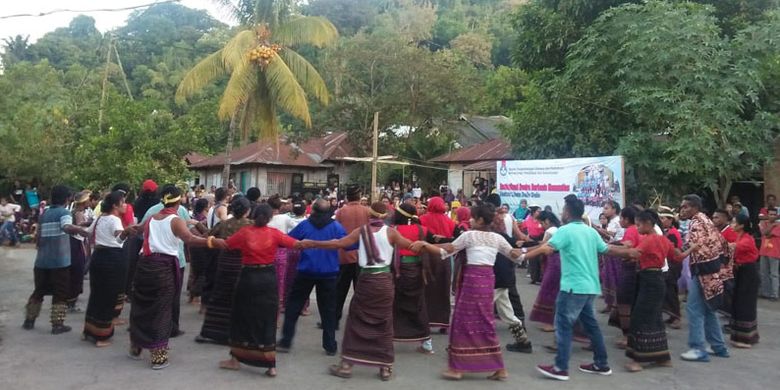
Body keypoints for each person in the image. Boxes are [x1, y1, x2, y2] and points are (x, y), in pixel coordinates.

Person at [525, 195, 636, 381]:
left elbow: (547, 248)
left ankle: (560, 367)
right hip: (590, 287)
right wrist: (628, 252)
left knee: (563, 325)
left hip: (572, 287)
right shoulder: (590, 231)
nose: (561, 213)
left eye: (563, 210)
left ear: (567, 212)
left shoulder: (565, 231)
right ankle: (601, 364)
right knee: (591, 325)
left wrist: (521, 256)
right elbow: (608, 249)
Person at [412, 203, 527, 381]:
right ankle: (498, 368)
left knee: (462, 322)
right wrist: (539, 248)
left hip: (472, 282)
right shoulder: (497, 238)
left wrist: (424, 245)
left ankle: (458, 368)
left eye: (473, 217)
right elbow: (516, 255)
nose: (470, 220)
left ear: (480, 220)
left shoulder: (470, 235)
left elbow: (447, 250)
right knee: (484, 323)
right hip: (487, 281)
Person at [303, 202, 414, 381]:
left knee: (356, 320)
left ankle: (346, 366)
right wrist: (435, 246)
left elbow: (338, 244)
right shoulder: (392, 233)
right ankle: (385, 368)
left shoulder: (361, 231)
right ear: (384, 216)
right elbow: (411, 246)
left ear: (369, 215)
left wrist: (313, 243)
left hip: (367, 281)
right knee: (384, 322)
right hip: (384, 282)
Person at [211, 203, 302, 377]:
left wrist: (209, 241)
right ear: (269, 218)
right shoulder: (274, 234)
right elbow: (296, 244)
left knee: (241, 318)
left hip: (248, 278)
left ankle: (235, 360)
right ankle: (271, 366)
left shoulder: (245, 233)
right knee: (267, 320)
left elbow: (227, 245)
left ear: (253, 215)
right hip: (268, 278)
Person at [128, 185, 209, 369]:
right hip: (163, 268)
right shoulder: (176, 219)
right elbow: (189, 239)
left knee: (141, 305)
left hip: (145, 265)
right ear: (179, 200)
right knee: (162, 308)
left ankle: (136, 347)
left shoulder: (151, 218)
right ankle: (158, 356)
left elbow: (138, 229)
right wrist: (211, 242)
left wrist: (125, 231)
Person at [611, 210, 693, 372]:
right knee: (654, 319)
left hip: (649, 281)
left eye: (639, 224)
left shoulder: (649, 240)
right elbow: (678, 257)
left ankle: (638, 360)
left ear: (648, 224)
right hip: (657, 281)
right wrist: (693, 248)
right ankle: (663, 358)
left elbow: (634, 253)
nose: (637, 227)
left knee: (640, 319)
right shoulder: (663, 240)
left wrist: (607, 249)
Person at [278, 199, 346, 356]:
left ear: (313, 210)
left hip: (306, 271)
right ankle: (330, 345)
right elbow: (348, 244)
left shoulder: (305, 225)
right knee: (328, 310)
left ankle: (286, 341)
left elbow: (290, 240)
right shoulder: (335, 226)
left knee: (293, 306)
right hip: (328, 273)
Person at [22, 185, 86, 334]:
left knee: (39, 291)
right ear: (66, 198)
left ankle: (29, 320)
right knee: (60, 293)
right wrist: (81, 230)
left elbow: (38, 238)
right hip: (60, 261)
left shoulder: (45, 214)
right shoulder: (64, 212)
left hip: (41, 261)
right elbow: (66, 227)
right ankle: (57, 325)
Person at [678, 194, 732, 362]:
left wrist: (683, 252)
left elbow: (698, 246)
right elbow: (722, 243)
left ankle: (697, 348)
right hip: (713, 270)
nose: (682, 210)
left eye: (685, 207)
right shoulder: (706, 220)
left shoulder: (696, 222)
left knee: (694, 309)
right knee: (709, 309)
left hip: (703, 270)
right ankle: (719, 346)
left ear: (694, 207)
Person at [82, 191, 139, 346]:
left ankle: (89, 331)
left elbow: (87, 233)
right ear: (115, 205)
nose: (125, 205)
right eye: (123, 202)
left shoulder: (101, 217)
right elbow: (118, 238)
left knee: (96, 295)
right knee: (108, 297)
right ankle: (101, 336)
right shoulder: (114, 219)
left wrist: (73, 227)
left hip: (98, 257)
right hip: (112, 259)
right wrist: (126, 232)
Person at [195, 198, 253, 345]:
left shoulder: (224, 224)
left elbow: (208, 236)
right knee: (241, 300)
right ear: (248, 211)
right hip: (243, 265)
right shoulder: (252, 226)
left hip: (224, 264)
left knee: (219, 298)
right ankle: (239, 335)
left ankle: (211, 333)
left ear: (232, 210)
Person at [391, 203, 437, 354]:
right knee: (419, 305)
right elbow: (435, 242)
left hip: (397, 272)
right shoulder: (422, 230)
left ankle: (388, 339)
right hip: (417, 272)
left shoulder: (392, 230)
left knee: (394, 305)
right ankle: (427, 343)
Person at [334, 186, 370, 326]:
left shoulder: (341, 212)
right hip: (363, 255)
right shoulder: (367, 211)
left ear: (347, 197)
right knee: (361, 290)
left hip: (344, 255)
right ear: (360, 196)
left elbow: (336, 231)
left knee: (339, 289)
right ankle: (360, 320)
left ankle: (335, 319)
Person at [420, 196, 455, 332]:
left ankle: (426, 321)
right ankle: (443, 323)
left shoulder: (422, 219)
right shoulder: (449, 221)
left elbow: (420, 234)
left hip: (428, 255)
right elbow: (456, 237)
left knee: (427, 289)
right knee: (443, 288)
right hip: (444, 257)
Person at [608, 206, 640, 348]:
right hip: (633, 269)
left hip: (630, 269)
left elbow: (628, 246)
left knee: (625, 303)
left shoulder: (631, 230)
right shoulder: (634, 229)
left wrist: (608, 248)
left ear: (626, 219)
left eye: (621, 218)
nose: (620, 220)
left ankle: (628, 337)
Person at [729, 214, 760, 348]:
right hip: (741, 272)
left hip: (748, 274)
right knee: (738, 302)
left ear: (741, 225)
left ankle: (746, 338)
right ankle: (740, 336)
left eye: (734, 222)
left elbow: (732, 248)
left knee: (745, 304)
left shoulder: (746, 239)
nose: (732, 224)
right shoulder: (740, 237)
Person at [529, 211, 562, 332]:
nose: (541, 226)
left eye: (541, 223)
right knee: (554, 291)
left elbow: (543, 246)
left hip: (554, 263)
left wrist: (525, 250)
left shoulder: (550, 231)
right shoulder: (558, 229)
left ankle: (551, 323)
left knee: (549, 291)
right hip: (557, 261)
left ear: (547, 221)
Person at [267, 195, 296, 312]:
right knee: (280, 281)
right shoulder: (285, 218)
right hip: (281, 251)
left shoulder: (264, 218)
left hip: (267, 251)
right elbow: (296, 228)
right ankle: (278, 309)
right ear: (280, 206)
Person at [658, 206, 683, 329]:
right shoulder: (666, 231)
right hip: (670, 263)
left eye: (663, 218)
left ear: (670, 220)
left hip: (673, 264)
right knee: (668, 291)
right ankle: (672, 315)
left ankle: (676, 316)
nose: (661, 220)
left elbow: (672, 250)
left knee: (671, 291)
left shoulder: (672, 233)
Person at [67, 191, 92, 312]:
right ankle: (71, 301)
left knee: (78, 271)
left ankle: (71, 299)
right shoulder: (77, 213)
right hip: (76, 243)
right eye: (88, 200)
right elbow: (80, 227)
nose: (89, 202)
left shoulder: (78, 212)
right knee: (77, 271)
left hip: (78, 242)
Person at [598, 200, 623, 312]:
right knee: (607, 276)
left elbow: (611, 235)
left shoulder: (616, 221)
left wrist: (594, 228)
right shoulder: (612, 221)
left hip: (616, 251)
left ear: (614, 209)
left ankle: (614, 305)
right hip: (611, 251)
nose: (604, 210)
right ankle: (610, 304)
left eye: (607, 208)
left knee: (613, 277)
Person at [759, 208, 780, 300]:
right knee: (763, 273)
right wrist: (772, 226)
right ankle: (765, 293)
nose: (772, 216)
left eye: (774, 214)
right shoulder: (763, 224)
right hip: (763, 251)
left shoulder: (779, 225)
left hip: (774, 252)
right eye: (770, 214)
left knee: (774, 274)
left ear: (777, 215)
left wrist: (770, 227)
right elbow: (764, 233)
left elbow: (767, 234)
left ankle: (774, 294)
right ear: (767, 215)